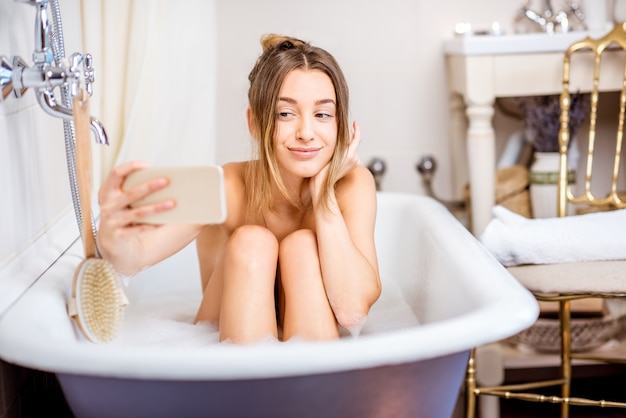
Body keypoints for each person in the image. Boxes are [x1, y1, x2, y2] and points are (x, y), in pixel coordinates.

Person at [96, 34, 381, 344]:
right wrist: (114, 234)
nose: (306, 133)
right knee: (252, 241)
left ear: (340, 124)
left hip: (314, 357)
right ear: (255, 123)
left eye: (323, 114)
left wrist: (323, 196)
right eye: (285, 114)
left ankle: (311, 391)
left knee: (302, 247)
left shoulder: (352, 185)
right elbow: (133, 259)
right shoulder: (228, 186)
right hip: (227, 347)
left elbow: (353, 311)